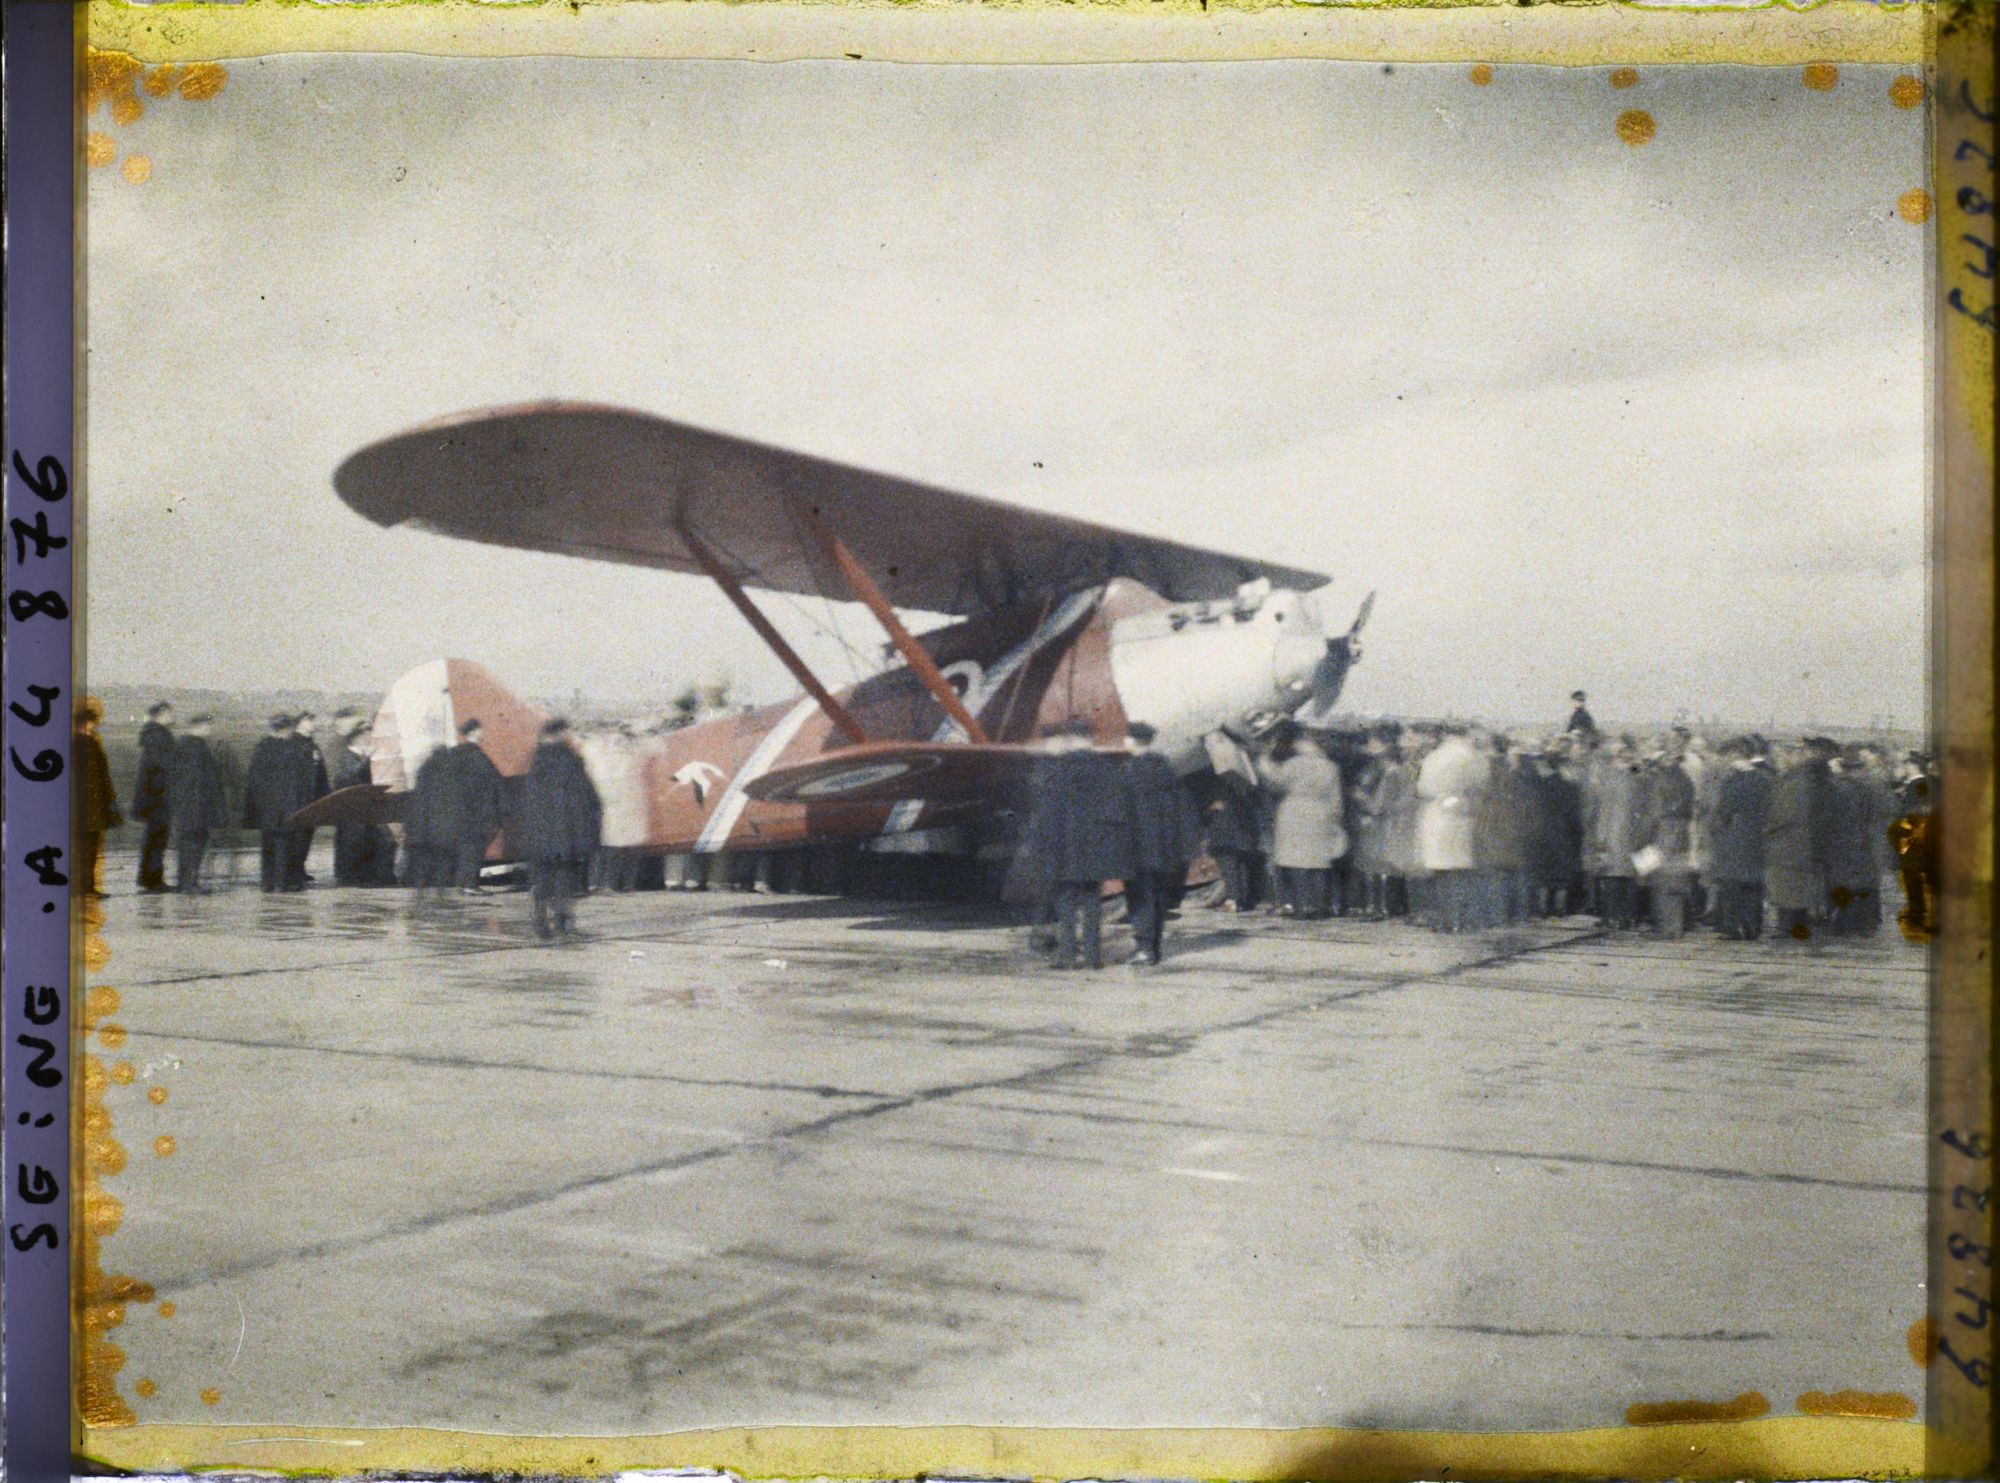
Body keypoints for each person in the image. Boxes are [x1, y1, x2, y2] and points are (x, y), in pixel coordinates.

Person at [1026, 718, 1133, 970]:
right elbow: (1116, 811)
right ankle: (1093, 957)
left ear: (1071, 738)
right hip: (1095, 849)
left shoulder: (1060, 768)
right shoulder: (1106, 768)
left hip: (1065, 848)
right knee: (1092, 902)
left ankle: (1067, 956)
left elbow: (1048, 811)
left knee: (1065, 902)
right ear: (1090, 737)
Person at [517, 718, 603, 940]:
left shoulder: (535, 762)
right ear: (562, 734)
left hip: (539, 834)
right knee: (565, 877)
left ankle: (540, 922)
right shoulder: (570, 762)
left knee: (542, 878)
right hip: (566, 835)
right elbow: (585, 801)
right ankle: (564, 924)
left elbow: (527, 803)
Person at [1121, 722, 1198, 965]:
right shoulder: (1166, 769)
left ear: (1131, 741)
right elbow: (1182, 810)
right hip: (1164, 848)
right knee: (1156, 896)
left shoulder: (1130, 771)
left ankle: (1144, 948)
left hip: (1138, 847)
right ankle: (1153, 947)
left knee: (1139, 896)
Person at [1260, 726, 1346, 920]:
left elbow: (1275, 781)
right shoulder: (1330, 767)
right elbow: (1336, 799)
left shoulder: (1295, 764)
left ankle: (1302, 905)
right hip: (1320, 812)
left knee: (1296, 862)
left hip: (1295, 812)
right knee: (1318, 862)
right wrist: (1335, 821)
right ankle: (1319, 905)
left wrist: (1264, 760)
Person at [1765, 736, 1840, 940]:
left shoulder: (1795, 781)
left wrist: (1769, 828)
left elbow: (1782, 813)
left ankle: (1786, 926)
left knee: (1787, 884)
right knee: (1799, 884)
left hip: (1789, 841)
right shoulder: (1816, 778)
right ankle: (1798, 922)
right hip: (1806, 841)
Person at [1415, 722, 1487, 932]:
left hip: (1439, 816)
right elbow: (1482, 783)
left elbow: (1423, 787)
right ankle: (1462, 919)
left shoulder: (1435, 757)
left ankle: (1446, 919)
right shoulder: (1475, 756)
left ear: (1445, 734)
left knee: (1442, 873)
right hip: (1466, 816)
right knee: (1462, 872)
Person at [1708, 736, 1775, 939]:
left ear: (1736, 755)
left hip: (1736, 838)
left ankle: (1732, 928)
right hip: (1758, 838)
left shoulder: (1733, 781)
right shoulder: (1766, 779)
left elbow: (1723, 813)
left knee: (1732, 885)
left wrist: (1715, 830)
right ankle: (1753, 928)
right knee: (1754, 885)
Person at [1635, 737, 1697, 937]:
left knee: (1659, 880)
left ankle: (1664, 927)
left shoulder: (1659, 781)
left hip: (1662, 833)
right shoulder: (1686, 780)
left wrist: (1641, 841)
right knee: (1678, 880)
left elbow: (1653, 813)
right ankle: (1678, 925)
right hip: (1682, 833)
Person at [1198, 730, 1265, 913]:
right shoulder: (1242, 781)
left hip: (1224, 834)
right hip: (1243, 832)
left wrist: (1207, 813)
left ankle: (1233, 900)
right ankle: (1242, 900)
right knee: (1240, 866)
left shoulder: (1211, 784)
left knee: (1229, 868)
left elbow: (1210, 811)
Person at [437, 718, 505, 894]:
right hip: (477, 811)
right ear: (474, 732)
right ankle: (469, 885)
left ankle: (464, 883)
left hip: (460, 809)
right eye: (481, 730)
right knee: (473, 847)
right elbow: (492, 781)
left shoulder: (456, 754)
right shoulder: (477, 755)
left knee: (466, 847)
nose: (483, 733)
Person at [1581, 735, 1643, 929]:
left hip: (1614, 834)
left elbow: (1604, 812)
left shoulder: (1611, 781)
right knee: (1630, 877)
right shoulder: (1636, 779)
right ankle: (1629, 916)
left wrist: (1600, 838)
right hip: (1634, 836)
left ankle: (1612, 916)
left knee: (1611, 876)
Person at [243, 713, 308, 893]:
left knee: (268, 844)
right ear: (286, 729)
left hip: (266, 808)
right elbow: (298, 782)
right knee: (284, 845)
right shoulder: (291, 750)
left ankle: (267, 882)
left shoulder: (262, 747)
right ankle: (281, 882)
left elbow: (254, 780)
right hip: (287, 807)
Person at [331, 711, 396, 886]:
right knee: (355, 842)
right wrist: (367, 759)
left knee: (378, 840)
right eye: (366, 733)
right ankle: (353, 876)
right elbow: (349, 776)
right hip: (352, 807)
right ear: (357, 737)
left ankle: (376, 875)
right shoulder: (348, 755)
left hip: (366, 806)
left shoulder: (356, 755)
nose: (369, 736)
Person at [166, 713, 228, 894]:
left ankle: (186, 882)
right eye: (207, 725)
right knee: (194, 844)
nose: (210, 729)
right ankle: (189, 883)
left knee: (189, 844)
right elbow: (197, 781)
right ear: (198, 726)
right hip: (196, 806)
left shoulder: (186, 746)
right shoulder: (195, 748)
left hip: (189, 806)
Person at [75, 698, 123, 899]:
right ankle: (84, 888)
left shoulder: (89, 744)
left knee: (90, 847)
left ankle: (87, 887)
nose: (95, 726)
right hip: (87, 807)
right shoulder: (83, 745)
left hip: (90, 806)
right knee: (86, 848)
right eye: (93, 722)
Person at [129, 701, 176, 893]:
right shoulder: (158, 735)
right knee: (157, 837)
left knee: (154, 837)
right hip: (158, 795)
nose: (173, 717)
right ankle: (153, 880)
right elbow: (163, 764)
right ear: (162, 713)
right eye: (171, 713)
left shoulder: (151, 734)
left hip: (152, 794)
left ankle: (149, 878)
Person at [287, 711, 331, 889]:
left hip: (311, 799)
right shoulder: (293, 744)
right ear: (299, 723)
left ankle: (299, 868)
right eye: (309, 721)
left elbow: (321, 774)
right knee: (298, 836)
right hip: (299, 800)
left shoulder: (312, 745)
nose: (313, 724)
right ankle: (294, 870)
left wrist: (324, 796)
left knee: (306, 835)